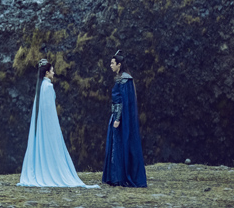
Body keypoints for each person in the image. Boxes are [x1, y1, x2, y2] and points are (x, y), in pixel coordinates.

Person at [18, 59, 98, 188]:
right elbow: (50, 112)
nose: (54, 73)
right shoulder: (48, 86)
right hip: (49, 125)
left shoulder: (40, 87)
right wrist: (54, 130)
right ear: (46, 73)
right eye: (52, 71)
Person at [102, 50, 147, 187]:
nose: (110, 65)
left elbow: (121, 101)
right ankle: (116, 176)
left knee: (118, 144)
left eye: (112, 63)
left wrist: (117, 118)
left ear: (119, 65)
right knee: (117, 144)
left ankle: (119, 176)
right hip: (118, 117)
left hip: (119, 119)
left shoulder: (124, 80)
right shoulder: (123, 79)